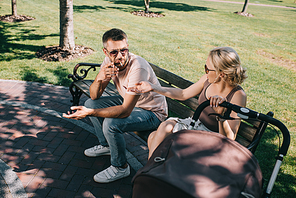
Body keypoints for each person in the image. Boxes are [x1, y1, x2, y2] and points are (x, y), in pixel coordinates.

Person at [63, 28, 168, 183]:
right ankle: (106, 145)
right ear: (105, 52)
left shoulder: (137, 67)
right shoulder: (108, 62)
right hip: (130, 102)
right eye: (114, 52)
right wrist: (100, 77)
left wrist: (90, 112)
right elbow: (94, 95)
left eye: (124, 50)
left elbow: (125, 111)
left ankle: (120, 167)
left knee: (111, 123)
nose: (120, 56)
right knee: (89, 102)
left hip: (152, 113)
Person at [128, 47, 247, 159]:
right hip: (196, 125)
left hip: (212, 138)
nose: (205, 71)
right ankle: (153, 171)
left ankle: (150, 171)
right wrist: (153, 87)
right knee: (154, 136)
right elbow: (183, 94)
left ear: (221, 74)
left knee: (156, 137)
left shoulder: (237, 95)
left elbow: (229, 138)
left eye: (207, 69)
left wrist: (222, 117)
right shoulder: (207, 80)